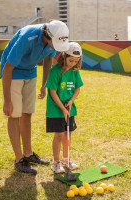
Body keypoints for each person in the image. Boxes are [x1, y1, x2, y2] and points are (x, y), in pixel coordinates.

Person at [0, 20, 69, 174]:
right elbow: (7, 68)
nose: (56, 48)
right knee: (14, 114)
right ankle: (19, 159)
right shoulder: (27, 37)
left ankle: (28, 154)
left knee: (27, 114)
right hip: (13, 72)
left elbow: (47, 60)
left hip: (30, 72)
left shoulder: (52, 40)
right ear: (47, 36)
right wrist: (7, 100)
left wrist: (44, 85)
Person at [45, 42, 84, 173]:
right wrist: (62, 108)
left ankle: (66, 160)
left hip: (69, 108)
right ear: (64, 56)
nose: (73, 63)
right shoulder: (55, 71)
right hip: (56, 109)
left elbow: (77, 88)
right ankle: (56, 162)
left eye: (76, 61)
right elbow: (52, 92)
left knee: (68, 134)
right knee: (60, 135)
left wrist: (72, 100)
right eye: (71, 60)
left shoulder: (74, 71)